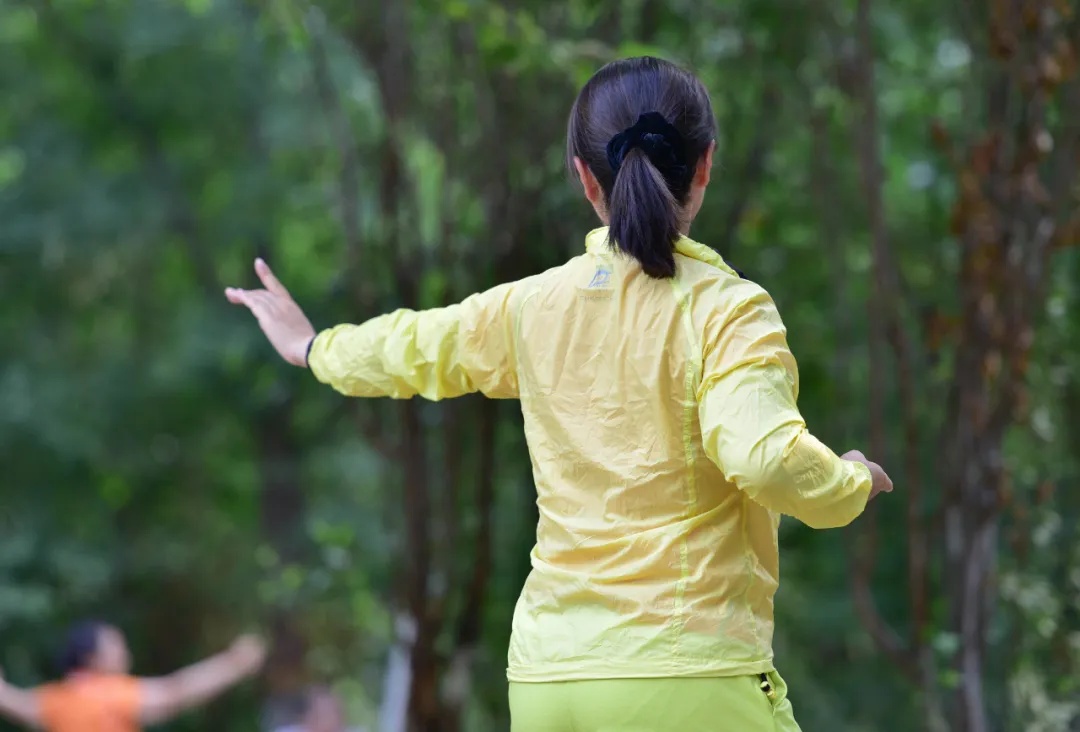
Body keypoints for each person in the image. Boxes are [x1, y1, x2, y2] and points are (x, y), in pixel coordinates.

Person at [225, 56, 893, 732]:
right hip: (685, 676)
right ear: (705, 165)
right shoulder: (728, 311)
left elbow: (419, 346)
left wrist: (313, 348)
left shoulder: (534, 306)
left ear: (583, 178)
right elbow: (767, 459)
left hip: (550, 684)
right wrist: (850, 482)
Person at [0, 620, 266, 731]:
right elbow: (175, 692)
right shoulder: (111, 693)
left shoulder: (53, 699)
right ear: (92, 658)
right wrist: (234, 664)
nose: (124, 652)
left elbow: (10, 699)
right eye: (115, 645)